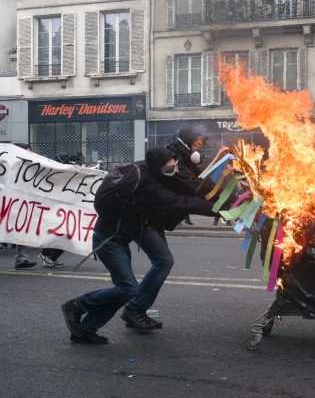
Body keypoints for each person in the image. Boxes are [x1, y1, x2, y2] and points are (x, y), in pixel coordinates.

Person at [61, 146, 217, 344]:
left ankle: (86, 328)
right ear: (157, 166)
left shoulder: (147, 169)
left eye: (175, 164)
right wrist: (219, 209)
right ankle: (76, 306)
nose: (173, 169)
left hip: (125, 233)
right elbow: (181, 203)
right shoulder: (147, 185)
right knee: (127, 289)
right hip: (109, 239)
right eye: (169, 166)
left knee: (125, 289)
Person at [38, 155, 83, 267]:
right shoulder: (62, 171)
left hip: (69, 208)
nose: (81, 165)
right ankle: (45, 254)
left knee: (68, 235)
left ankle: (53, 256)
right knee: (59, 233)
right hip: (59, 208)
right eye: (79, 163)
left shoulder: (75, 172)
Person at [11, 143, 37, 269]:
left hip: (20, 205)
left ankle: (21, 260)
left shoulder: (30, 168)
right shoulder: (9, 166)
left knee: (22, 230)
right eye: (27, 152)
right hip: (9, 203)